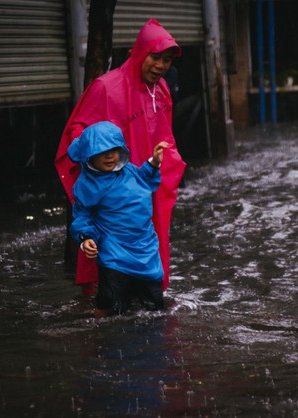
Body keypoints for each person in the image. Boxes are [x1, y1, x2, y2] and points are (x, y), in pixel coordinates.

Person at [55, 18, 186, 296]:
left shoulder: (160, 90)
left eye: (167, 60)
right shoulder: (105, 88)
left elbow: (165, 135)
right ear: (139, 52)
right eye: (155, 57)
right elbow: (77, 134)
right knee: (107, 263)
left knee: (150, 250)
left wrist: (166, 166)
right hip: (112, 193)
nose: (161, 66)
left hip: (146, 185)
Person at [68, 121, 168, 316]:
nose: (109, 155)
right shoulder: (87, 185)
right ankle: (100, 327)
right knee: (110, 302)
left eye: (114, 150)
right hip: (115, 253)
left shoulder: (128, 170)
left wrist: (154, 162)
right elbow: (82, 216)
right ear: (89, 154)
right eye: (101, 151)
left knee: (153, 305)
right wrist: (86, 238)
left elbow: (143, 179)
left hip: (144, 248)